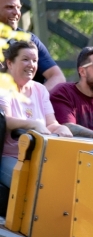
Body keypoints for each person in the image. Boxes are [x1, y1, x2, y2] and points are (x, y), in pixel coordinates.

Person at [0, 39, 72, 200]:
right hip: (9, 156)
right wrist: (32, 124)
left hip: (38, 156)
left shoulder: (40, 89)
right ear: (10, 63)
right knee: (36, 185)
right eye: (25, 59)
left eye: (35, 60)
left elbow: (50, 123)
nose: (31, 65)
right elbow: (5, 121)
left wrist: (61, 128)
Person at [0, 0, 65, 90]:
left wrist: (37, 97)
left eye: (18, 8)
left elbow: (57, 77)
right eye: (10, 7)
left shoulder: (28, 40)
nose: (17, 13)